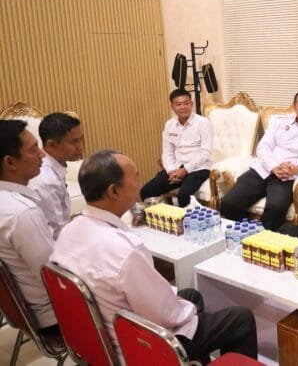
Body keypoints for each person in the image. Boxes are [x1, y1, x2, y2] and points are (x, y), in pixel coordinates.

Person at [51, 150, 257, 363]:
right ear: (114, 191)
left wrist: (181, 303)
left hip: (98, 337)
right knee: (240, 318)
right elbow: (165, 315)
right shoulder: (124, 250)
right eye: (136, 177)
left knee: (192, 295)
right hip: (139, 347)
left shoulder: (69, 231)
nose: (140, 185)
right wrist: (187, 310)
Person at [221, 90, 298, 230]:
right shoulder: (279, 122)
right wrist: (274, 167)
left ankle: (262, 239)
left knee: (276, 208)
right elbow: (263, 147)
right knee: (229, 203)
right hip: (263, 170)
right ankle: (244, 232)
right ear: (295, 107)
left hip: (288, 177)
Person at [0, 120, 59, 334]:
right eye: (34, 149)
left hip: (22, 311)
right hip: (53, 317)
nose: (42, 154)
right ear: (10, 162)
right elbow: (56, 278)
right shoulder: (22, 213)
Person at [140, 89, 213, 207]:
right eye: (178, 104)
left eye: (186, 103)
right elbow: (167, 152)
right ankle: (162, 217)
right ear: (172, 107)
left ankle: (185, 219)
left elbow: (205, 152)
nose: (183, 107)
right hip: (176, 167)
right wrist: (171, 171)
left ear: (191, 104)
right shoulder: (169, 125)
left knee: (184, 195)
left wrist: (185, 170)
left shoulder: (203, 123)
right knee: (146, 191)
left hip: (199, 168)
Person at [28, 112, 84, 239]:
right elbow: (58, 235)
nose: (80, 147)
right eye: (74, 142)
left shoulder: (54, 166)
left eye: (81, 139)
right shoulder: (47, 181)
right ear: (51, 145)